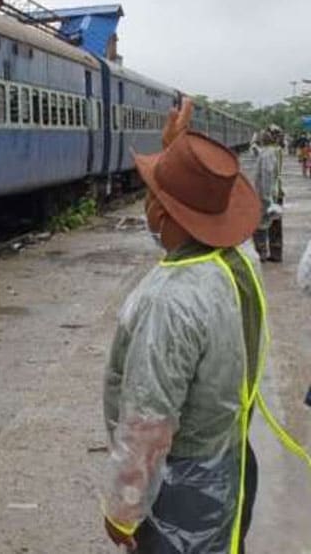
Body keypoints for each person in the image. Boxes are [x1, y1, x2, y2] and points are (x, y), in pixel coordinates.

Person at [102, 99, 268, 553]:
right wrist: (181, 159)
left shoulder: (169, 301)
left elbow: (148, 421)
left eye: (151, 195)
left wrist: (124, 510)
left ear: (160, 213)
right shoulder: (238, 265)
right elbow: (225, 224)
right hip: (230, 464)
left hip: (181, 490)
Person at [250, 129, 283, 262]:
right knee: (273, 223)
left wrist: (267, 198)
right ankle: (275, 254)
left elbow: (267, 175)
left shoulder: (268, 154)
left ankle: (261, 253)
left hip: (266, 195)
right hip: (271, 194)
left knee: (259, 225)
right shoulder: (270, 151)